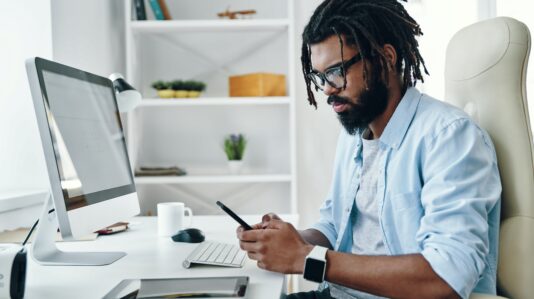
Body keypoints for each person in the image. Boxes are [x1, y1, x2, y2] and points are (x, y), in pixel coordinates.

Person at [236, 0, 502, 298]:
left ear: (384, 58)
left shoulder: (450, 137)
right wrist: (290, 242)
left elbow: (447, 277)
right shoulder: (354, 133)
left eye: (336, 71)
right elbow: (335, 227)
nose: (326, 88)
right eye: (319, 76)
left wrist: (305, 258)